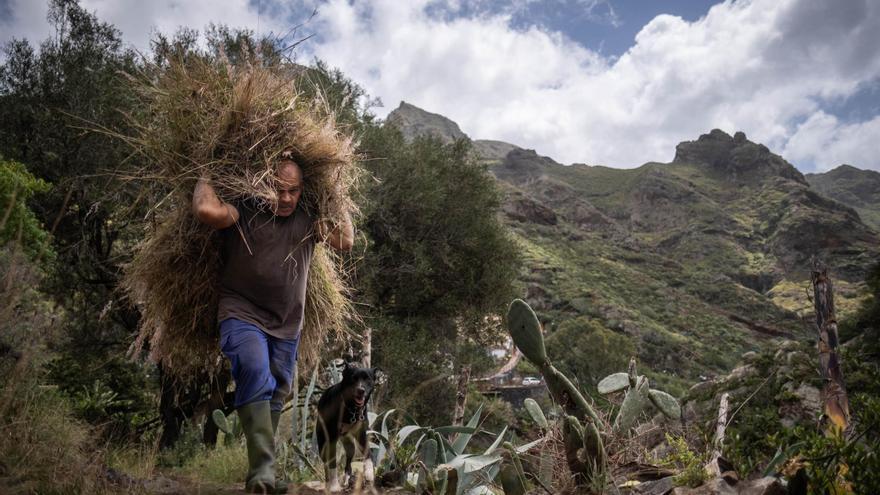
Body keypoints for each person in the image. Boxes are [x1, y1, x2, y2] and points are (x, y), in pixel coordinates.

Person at [193, 159, 353, 494]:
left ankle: (260, 477)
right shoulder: (245, 209)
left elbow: (346, 241)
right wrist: (205, 171)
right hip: (241, 311)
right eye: (277, 189)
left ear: (302, 190)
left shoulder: (310, 219)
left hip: (287, 322)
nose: (284, 198)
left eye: (292, 191)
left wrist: (336, 194)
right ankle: (264, 472)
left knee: (277, 389)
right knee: (254, 369)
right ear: (263, 182)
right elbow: (208, 211)